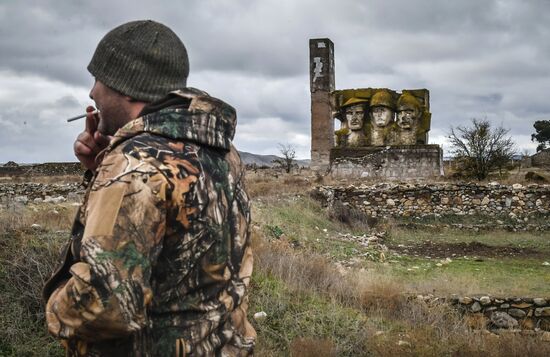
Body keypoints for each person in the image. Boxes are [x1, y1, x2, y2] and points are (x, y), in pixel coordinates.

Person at [43, 20, 256, 356]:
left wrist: (54, 307)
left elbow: (106, 303)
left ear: (127, 86)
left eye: (99, 78)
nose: (92, 93)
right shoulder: (221, 151)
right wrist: (102, 169)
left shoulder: (135, 163)